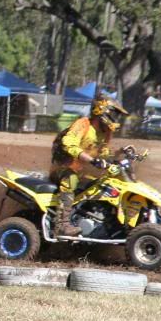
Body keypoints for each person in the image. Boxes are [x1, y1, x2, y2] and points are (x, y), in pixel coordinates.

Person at [48, 97, 128, 237]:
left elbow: (104, 153)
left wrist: (120, 153)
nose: (116, 118)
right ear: (101, 111)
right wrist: (92, 160)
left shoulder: (106, 132)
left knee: (108, 183)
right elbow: (68, 144)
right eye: (113, 114)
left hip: (84, 172)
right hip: (63, 168)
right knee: (71, 179)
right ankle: (62, 225)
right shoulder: (83, 124)